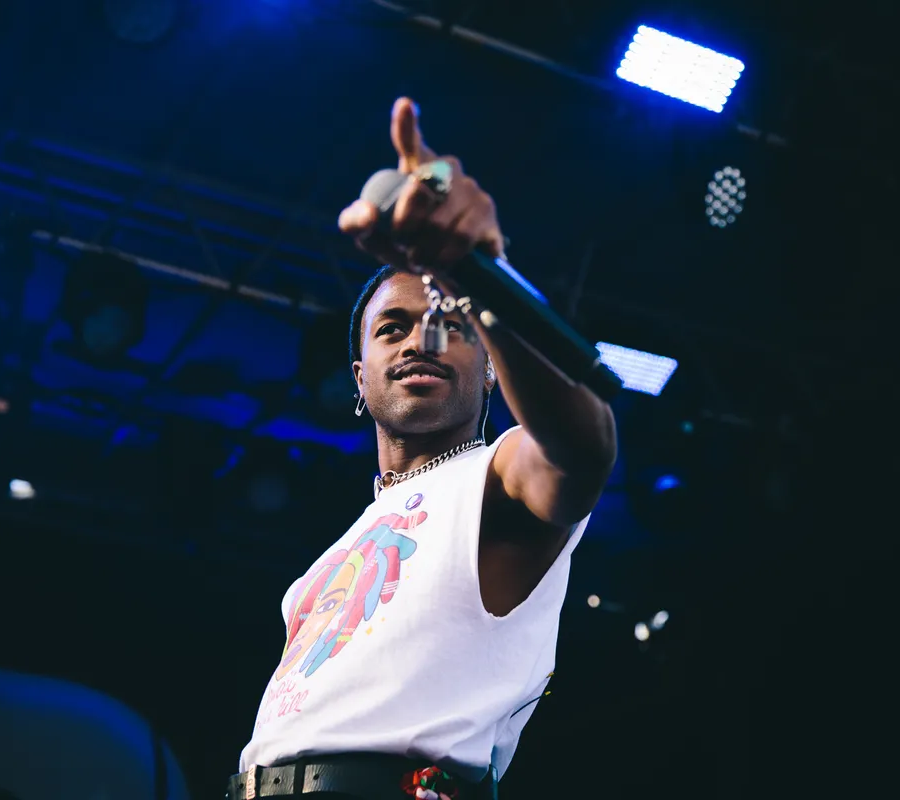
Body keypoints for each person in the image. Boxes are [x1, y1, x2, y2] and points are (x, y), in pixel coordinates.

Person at [227, 98, 618, 800]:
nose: (418, 342)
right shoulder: (331, 558)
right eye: (392, 328)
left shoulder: (496, 474)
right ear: (359, 379)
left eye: (449, 326)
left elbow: (580, 453)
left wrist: (479, 276)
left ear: (490, 366)